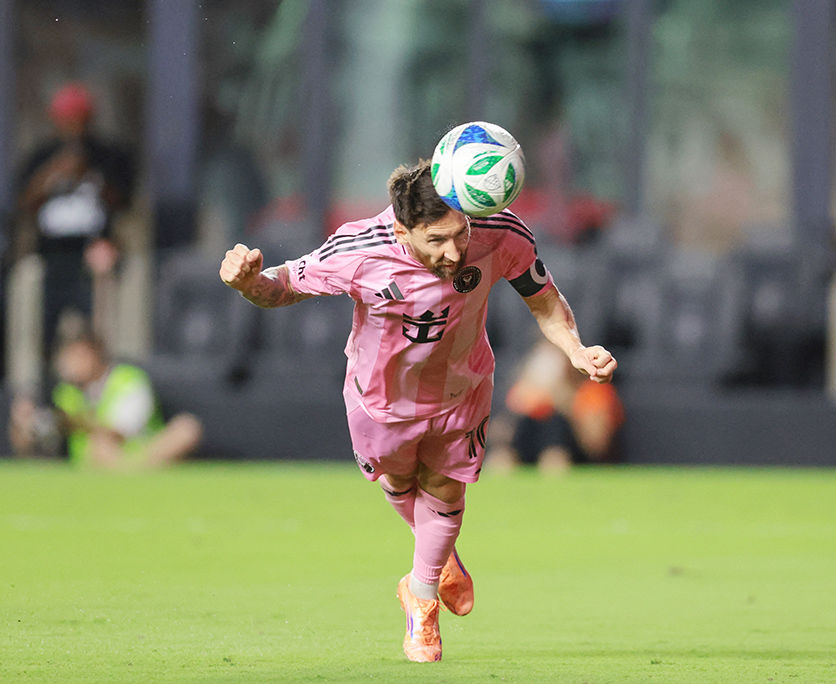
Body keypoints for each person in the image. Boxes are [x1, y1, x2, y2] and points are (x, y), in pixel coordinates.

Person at [219, 159, 617, 662]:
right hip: (380, 400)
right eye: (437, 241)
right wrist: (247, 283)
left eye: (459, 234)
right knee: (400, 485)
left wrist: (578, 352)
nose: (454, 252)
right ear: (404, 230)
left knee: (446, 489)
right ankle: (440, 559)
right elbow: (281, 287)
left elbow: (544, 301)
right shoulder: (360, 248)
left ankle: (421, 598)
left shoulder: (499, 230)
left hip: (463, 387)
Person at [11, 82, 136, 370]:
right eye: (67, 118)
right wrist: (52, 173)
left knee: (97, 333)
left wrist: (90, 173)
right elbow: (24, 204)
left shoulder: (108, 155)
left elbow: (124, 202)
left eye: (79, 118)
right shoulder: (41, 156)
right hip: (50, 256)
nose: (73, 126)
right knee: (42, 333)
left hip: (93, 257)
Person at [8, 333, 203, 470]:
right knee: (99, 446)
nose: (72, 364)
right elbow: (30, 442)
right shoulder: (64, 392)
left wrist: (72, 422)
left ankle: (133, 470)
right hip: (96, 460)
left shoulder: (129, 379)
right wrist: (25, 423)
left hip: (141, 451)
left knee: (186, 428)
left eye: (79, 356)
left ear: (96, 355)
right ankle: (134, 473)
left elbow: (121, 432)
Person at [490, 339, 624, 472]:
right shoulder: (523, 391)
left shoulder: (593, 391)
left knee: (555, 441)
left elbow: (597, 446)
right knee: (501, 459)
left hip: (570, 456)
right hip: (525, 452)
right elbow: (497, 436)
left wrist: (563, 400)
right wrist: (523, 402)